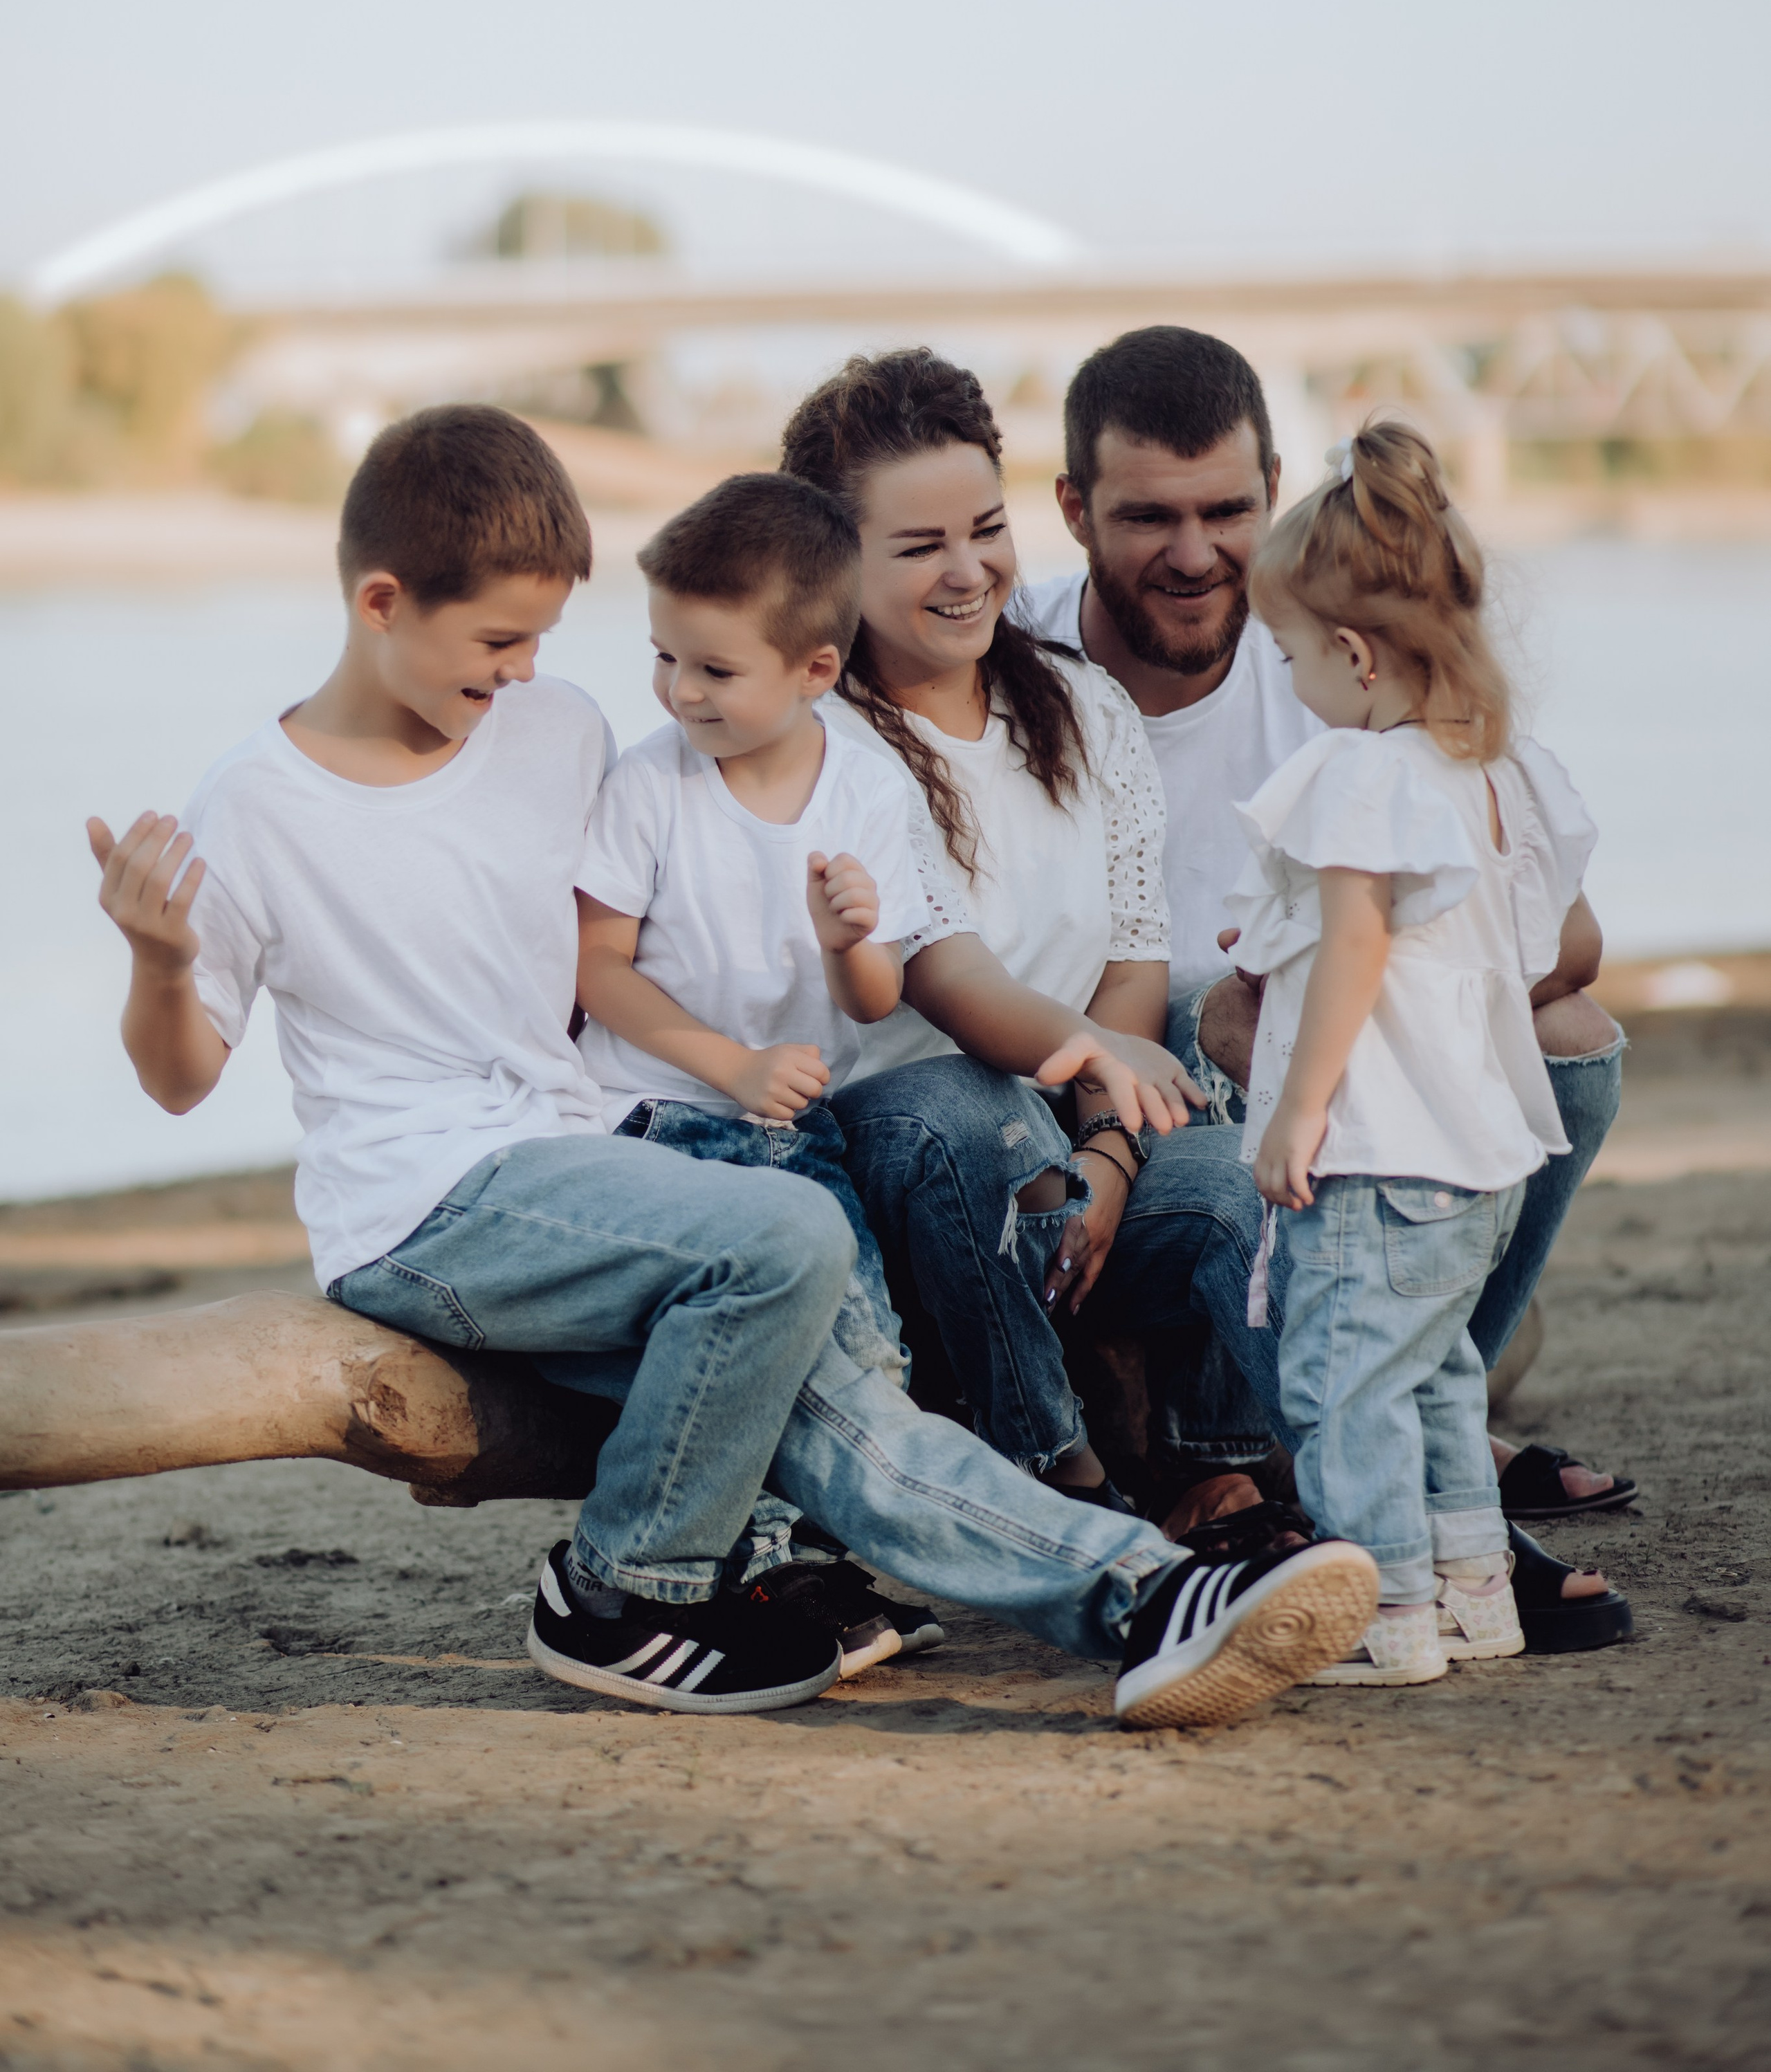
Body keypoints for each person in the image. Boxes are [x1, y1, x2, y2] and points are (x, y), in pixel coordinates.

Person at [88, 401, 1380, 1726]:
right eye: (497, 641)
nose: (529, 670)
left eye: (540, 636)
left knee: (839, 1410)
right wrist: (164, 963)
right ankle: (624, 1585)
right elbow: (180, 1082)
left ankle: (1146, 1598)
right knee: (782, 1233)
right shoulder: (254, 805)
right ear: (378, 600)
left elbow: (679, 896)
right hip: (419, 1201)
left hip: (595, 1162)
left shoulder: (557, 732)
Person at [1016, 327, 1634, 1558]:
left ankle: (1400, 1394)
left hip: (1296, 1069)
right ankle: (1343, 1438)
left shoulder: (1335, 656)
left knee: (1572, 1042)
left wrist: (1330, 998)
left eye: (1227, 510)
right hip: (1089, 1092)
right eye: (1148, 518)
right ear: (1075, 509)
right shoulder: (1019, 665)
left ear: (1275, 486)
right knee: (1214, 1013)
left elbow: (1562, 943)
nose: (1196, 558)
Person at [778, 349, 1294, 1507]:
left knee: (1242, 1183)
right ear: (828, 560)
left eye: (984, 529)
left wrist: (1111, 1149)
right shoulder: (822, 747)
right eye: (918, 548)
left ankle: (1239, 1471)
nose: (968, 573)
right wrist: (1103, 1092)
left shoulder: (1081, 702)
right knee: (961, 1106)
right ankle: (1053, 1473)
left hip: (1072, 1155)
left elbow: (1131, 954)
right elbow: (945, 980)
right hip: (906, 1182)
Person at [1234, 417, 1592, 1683]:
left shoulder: (1360, 769)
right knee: (1439, 1376)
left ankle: (1378, 1616)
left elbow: (1358, 951)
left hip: (1382, 1150)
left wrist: (1298, 1111)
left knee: (1344, 1391)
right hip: (1478, 1153)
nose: (1286, 679)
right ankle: (1471, 1593)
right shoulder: (1475, 771)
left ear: (1351, 654)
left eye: (1285, 653)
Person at [573, 467, 942, 1668]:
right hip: (668, 1109)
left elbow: (877, 998)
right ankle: (769, 1570)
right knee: (789, 1319)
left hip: (796, 1118)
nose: (681, 692)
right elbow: (601, 972)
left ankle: (802, 1562)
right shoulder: (649, 783)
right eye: (664, 657)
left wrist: (850, 941)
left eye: (714, 669)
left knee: (866, 1340)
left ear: (815, 672)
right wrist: (728, 1068)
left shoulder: (870, 786)